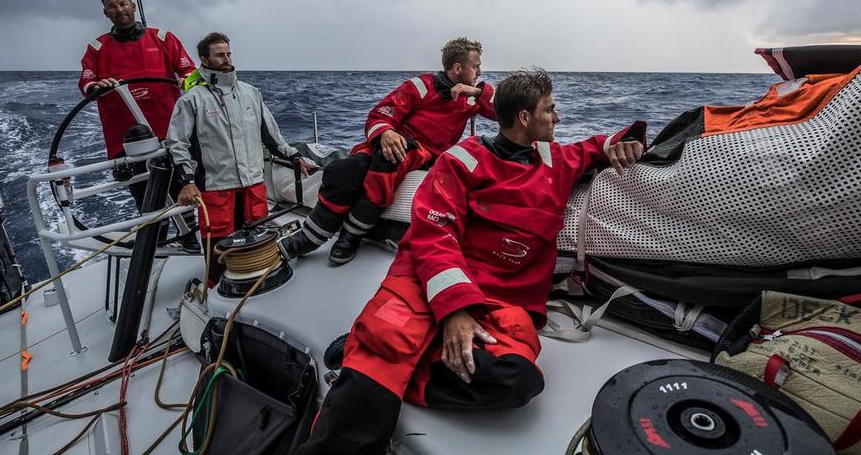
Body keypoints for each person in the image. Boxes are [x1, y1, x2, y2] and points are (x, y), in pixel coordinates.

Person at [296, 69, 646, 455]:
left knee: (517, 380)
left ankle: (369, 352)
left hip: (503, 301)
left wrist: (622, 140)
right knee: (385, 353)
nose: (558, 117)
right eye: (551, 109)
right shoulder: (461, 161)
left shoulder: (558, 161)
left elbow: (600, 144)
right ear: (525, 118)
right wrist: (455, 311)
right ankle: (377, 355)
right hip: (429, 277)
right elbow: (434, 235)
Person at [278, 37, 496, 265]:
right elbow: (379, 114)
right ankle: (310, 237)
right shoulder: (420, 86)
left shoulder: (473, 98)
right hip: (392, 143)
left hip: (423, 153)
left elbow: (505, 112)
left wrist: (478, 93)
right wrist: (386, 133)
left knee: (390, 160)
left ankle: (351, 234)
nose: (479, 71)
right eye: (476, 66)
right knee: (344, 169)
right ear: (458, 68)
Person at [167, 32, 315, 283]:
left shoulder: (250, 93)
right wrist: (187, 181)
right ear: (204, 59)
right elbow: (177, 142)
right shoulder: (192, 100)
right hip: (216, 188)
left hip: (253, 185)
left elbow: (271, 134)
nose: (226, 59)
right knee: (218, 247)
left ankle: (258, 281)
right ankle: (215, 291)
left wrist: (294, 157)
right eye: (219, 55)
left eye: (228, 53)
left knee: (259, 238)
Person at [78, 0, 198, 250]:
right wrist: (97, 86)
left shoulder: (164, 39)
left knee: (183, 186)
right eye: (113, 6)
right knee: (146, 195)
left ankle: (191, 238)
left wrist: (186, 80)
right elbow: (86, 81)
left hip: (172, 133)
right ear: (105, 13)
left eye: (123, 4)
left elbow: (189, 71)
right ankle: (157, 246)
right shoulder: (98, 48)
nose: (119, 10)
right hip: (128, 142)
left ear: (133, 5)